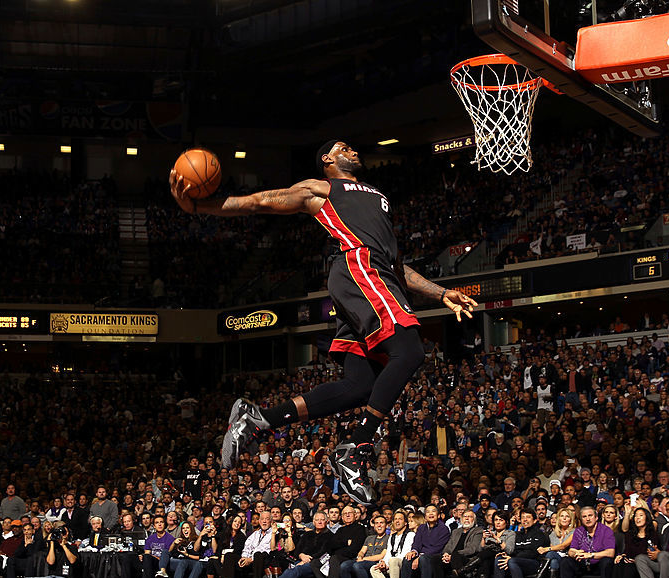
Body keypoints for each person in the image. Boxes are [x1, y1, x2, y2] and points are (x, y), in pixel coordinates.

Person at [172, 141, 478, 503]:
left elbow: (395, 264)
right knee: (409, 351)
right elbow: (257, 201)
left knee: (359, 386)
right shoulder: (322, 188)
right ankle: (356, 449)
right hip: (359, 270)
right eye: (342, 146)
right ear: (328, 160)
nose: (352, 148)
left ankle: (258, 419)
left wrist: (441, 293)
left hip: (373, 273)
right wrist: (197, 206)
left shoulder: (378, 197)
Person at [484, 509, 546, 578]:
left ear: (535, 520)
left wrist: (511, 558)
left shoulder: (539, 534)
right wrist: (506, 555)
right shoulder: (518, 534)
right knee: (499, 558)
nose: (525, 520)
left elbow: (533, 552)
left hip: (533, 563)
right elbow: (514, 550)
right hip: (516, 561)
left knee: (512, 561)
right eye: (523, 517)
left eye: (528, 517)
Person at [559, 506, 616, 578]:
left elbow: (610, 552)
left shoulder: (606, 530)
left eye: (590, 515)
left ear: (596, 517)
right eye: (584, 517)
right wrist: (575, 553)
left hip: (598, 564)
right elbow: (571, 550)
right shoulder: (578, 531)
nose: (588, 519)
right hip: (582, 564)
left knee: (606, 561)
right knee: (566, 561)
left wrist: (591, 555)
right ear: (581, 519)